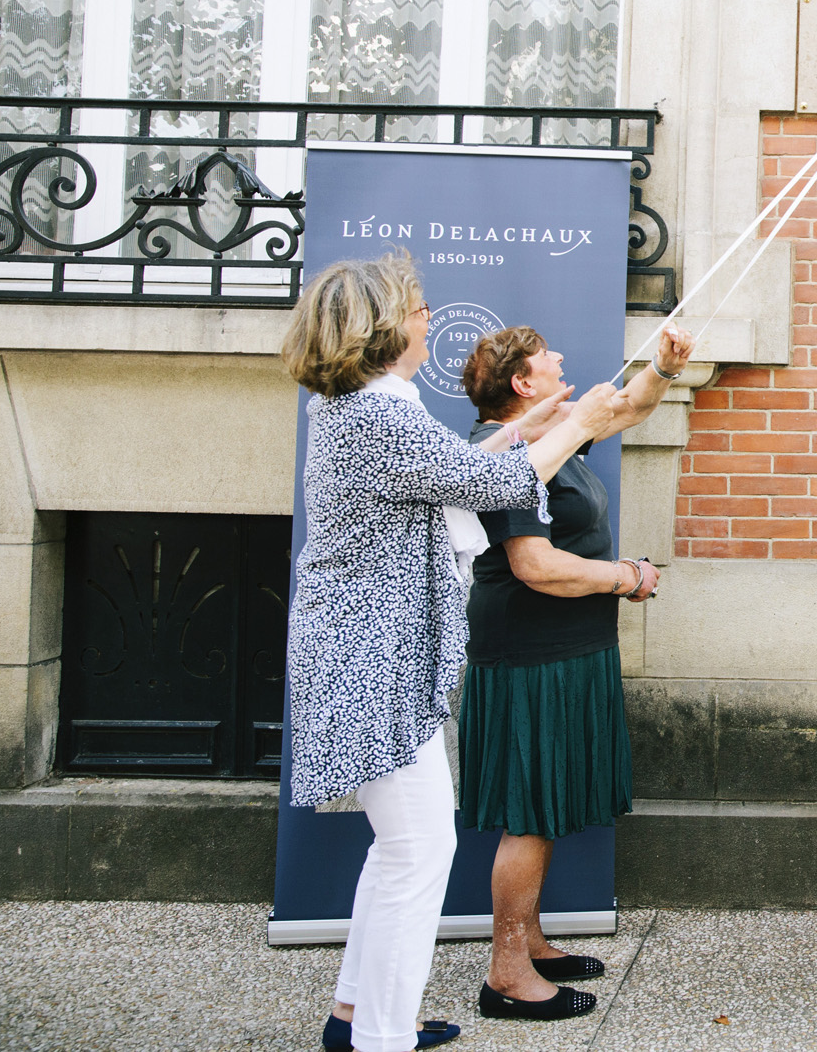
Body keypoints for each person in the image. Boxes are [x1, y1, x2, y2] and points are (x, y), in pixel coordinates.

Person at [281, 252, 618, 1052]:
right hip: (373, 663)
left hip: (380, 658)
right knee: (417, 850)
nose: (430, 317)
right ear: (383, 326)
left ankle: (357, 1014)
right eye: (418, 306)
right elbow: (487, 486)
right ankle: (381, 1037)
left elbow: (461, 469)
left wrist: (524, 428)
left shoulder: (369, 407)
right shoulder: (375, 415)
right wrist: (576, 425)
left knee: (402, 848)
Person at [455, 321, 695, 1021]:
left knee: (546, 801)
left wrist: (664, 368)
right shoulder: (500, 455)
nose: (561, 358)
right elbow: (535, 566)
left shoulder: (553, 435)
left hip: (569, 648)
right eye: (545, 358)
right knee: (529, 811)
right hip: (530, 654)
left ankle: (528, 939)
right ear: (522, 383)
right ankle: (505, 972)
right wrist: (627, 575)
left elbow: (626, 406)